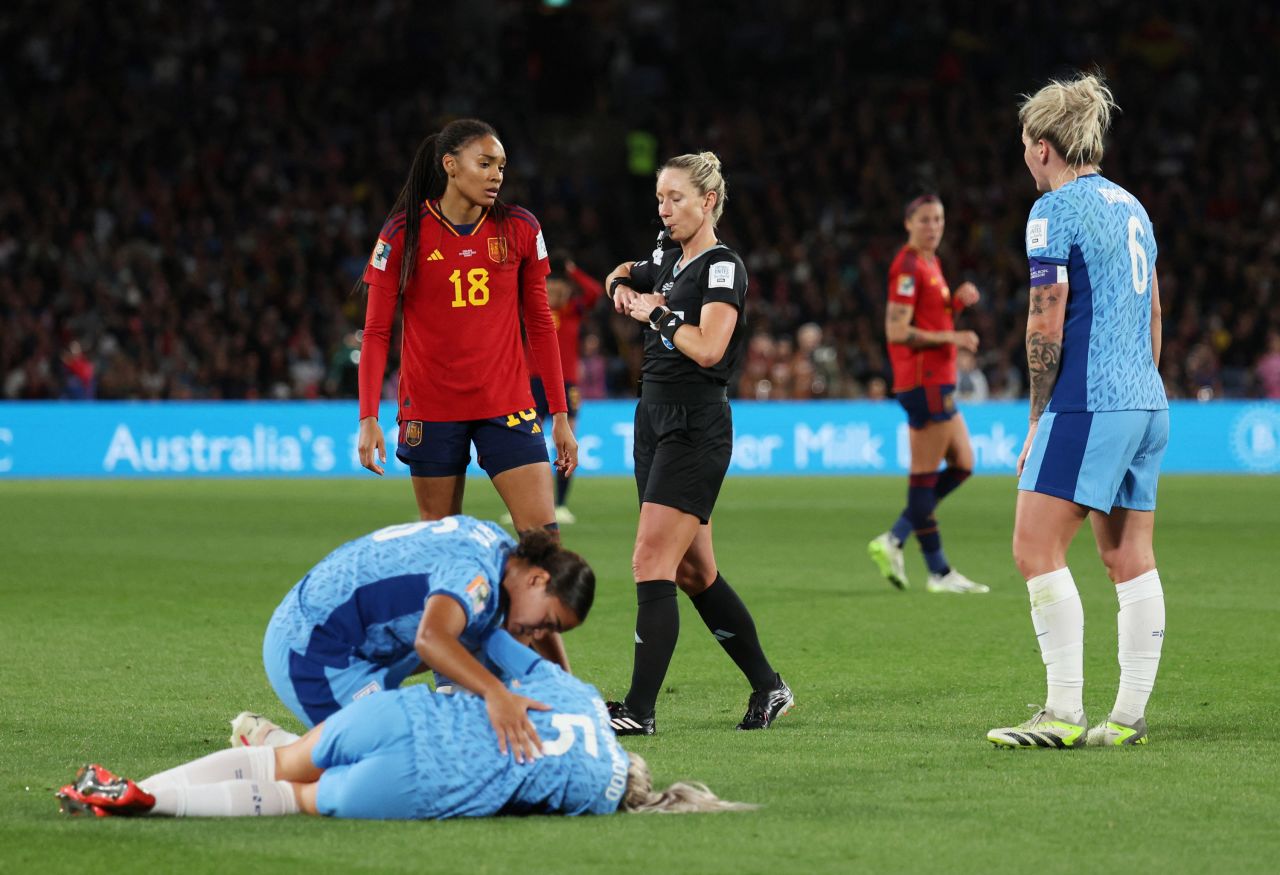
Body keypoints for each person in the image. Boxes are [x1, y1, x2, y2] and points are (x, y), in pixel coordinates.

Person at [56, 631, 752, 820]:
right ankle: (151, 803)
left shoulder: (582, 697)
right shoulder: (594, 796)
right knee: (291, 796)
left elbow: (490, 644)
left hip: (406, 711)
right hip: (429, 780)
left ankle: (138, 782)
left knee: (285, 762)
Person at [987, 72, 1168, 749]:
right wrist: (1147, 384)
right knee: (1129, 557)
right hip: (1147, 400)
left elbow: (1046, 319)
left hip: (1089, 401)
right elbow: (1152, 309)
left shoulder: (1052, 210)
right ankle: (1126, 716)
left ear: (1041, 147)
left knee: (1034, 546)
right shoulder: (1132, 205)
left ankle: (1062, 711)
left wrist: (1038, 418)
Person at [603, 152, 791, 735]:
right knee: (694, 572)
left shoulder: (721, 268)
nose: (664, 209)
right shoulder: (664, 254)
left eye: (675, 198)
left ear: (708, 201)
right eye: (659, 198)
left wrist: (654, 316)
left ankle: (638, 711)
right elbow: (625, 270)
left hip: (695, 424)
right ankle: (770, 687)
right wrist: (618, 287)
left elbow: (710, 348)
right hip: (652, 419)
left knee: (650, 560)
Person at [354, 118, 577, 535]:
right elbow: (376, 333)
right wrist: (368, 417)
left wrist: (560, 414)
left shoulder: (521, 228)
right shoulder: (403, 234)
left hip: (507, 405)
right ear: (450, 165)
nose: (497, 176)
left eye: (502, 167)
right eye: (486, 164)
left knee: (544, 543)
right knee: (443, 545)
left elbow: (541, 325)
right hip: (432, 408)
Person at [234, 517, 593, 765]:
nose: (541, 634)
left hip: (360, 643)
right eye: (547, 623)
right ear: (537, 580)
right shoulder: (476, 575)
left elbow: (511, 635)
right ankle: (275, 746)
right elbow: (431, 639)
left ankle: (451, 710)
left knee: (487, 632)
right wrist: (496, 694)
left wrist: (568, 691)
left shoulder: (501, 552)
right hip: (313, 650)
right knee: (390, 763)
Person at [867, 192, 989, 594]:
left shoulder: (929, 263)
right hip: (923, 382)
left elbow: (929, 316)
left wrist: (956, 303)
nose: (933, 227)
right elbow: (897, 331)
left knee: (963, 463)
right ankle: (938, 572)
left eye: (938, 219)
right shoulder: (906, 266)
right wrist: (953, 334)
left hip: (939, 379)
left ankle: (898, 537)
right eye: (924, 220)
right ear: (908, 223)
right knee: (922, 481)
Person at [527, 251, 604, 525]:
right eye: (551, 287)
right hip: (534, 382)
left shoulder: (574, 311)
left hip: (567, 383)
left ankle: (560, 505)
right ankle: (531, 505)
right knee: (529, 444)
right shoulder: (532, 311)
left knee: (566, 444)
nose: (556, 292)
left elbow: (595, 291)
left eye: (561, 288)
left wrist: (572, 269)